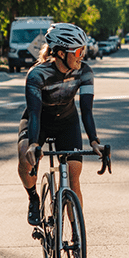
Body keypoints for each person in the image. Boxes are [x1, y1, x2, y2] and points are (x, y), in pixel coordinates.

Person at [17, 23, 104, 225]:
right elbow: (35, 113)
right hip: (38, 120)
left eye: (84, 50)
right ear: (61, 53)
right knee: (25, 156)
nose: (82, 55)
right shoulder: (37, 75)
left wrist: (94, 141)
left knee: (74, 177)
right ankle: (33, 197)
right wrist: (33, 145)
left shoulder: (84, 72)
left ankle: (76, 236)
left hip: (67, 121)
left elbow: (87, 110)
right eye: (78, 51)